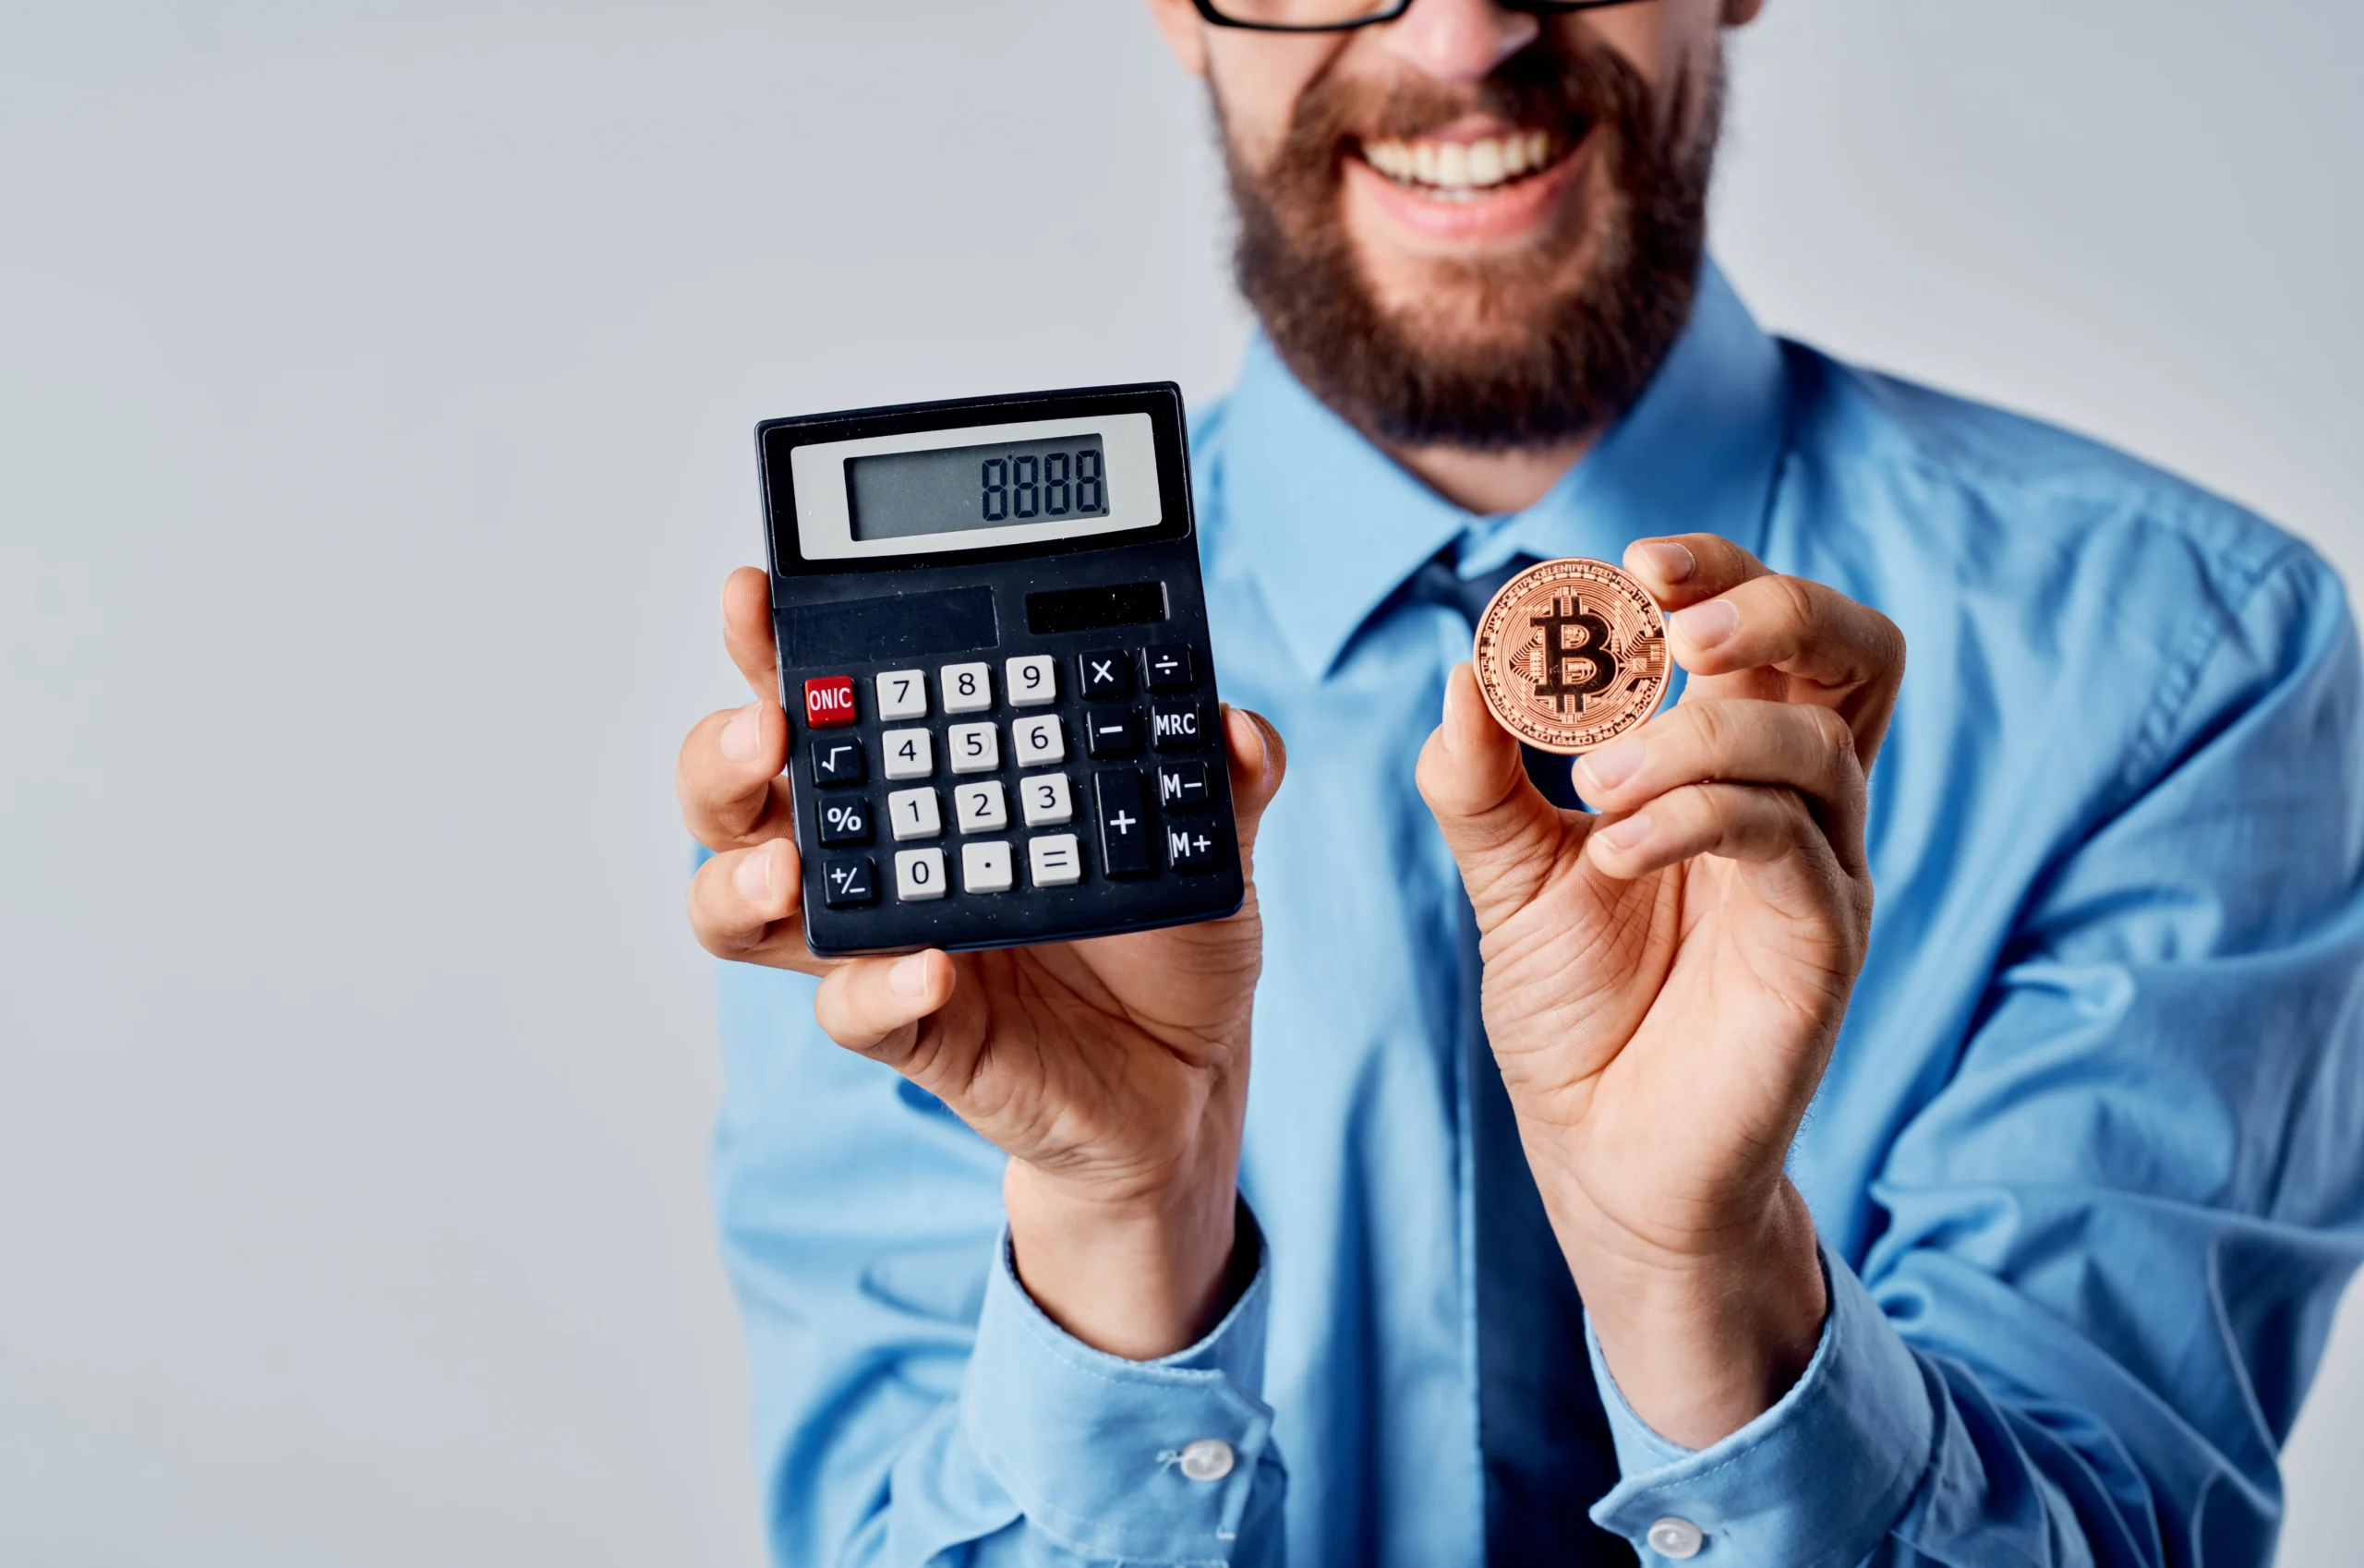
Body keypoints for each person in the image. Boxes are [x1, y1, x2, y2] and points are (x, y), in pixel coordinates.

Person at [676, 1, 2364, 1562]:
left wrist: (1705, 1281)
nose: (1469, 35)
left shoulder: (2185, 667)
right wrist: (1122, 1224)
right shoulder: (931, 752)